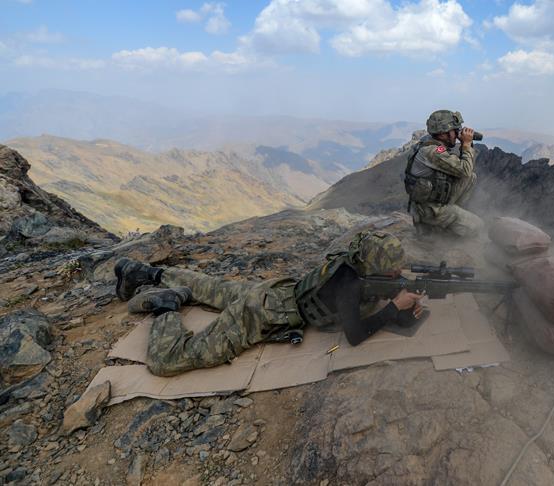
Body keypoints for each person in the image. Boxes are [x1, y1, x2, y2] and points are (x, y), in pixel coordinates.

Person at [114, 231, 426, 377]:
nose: (398, 275)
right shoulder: (350, 284)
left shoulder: (353, 262)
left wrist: (396, 302)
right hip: (263, 313)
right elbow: (355, 336)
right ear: (373, 267)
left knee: (211, 287)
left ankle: (145, 272)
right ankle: (167, 305)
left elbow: (372, 294)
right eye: (391, 272)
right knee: (168, 360)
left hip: (276, 290)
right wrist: (393, 309)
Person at [404, 110, 483, 238]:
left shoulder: (431, 143)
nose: (457, 134)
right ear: (442, 134)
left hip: (430, 202)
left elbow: (463, 172)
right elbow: (465, 169)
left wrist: (465, 145)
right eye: (454, 131)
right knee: (478, 226)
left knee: (470, 178)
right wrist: (467, 145)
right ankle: (440, 231)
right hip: (429, 210)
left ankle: (453, 218)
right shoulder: (433, 151)